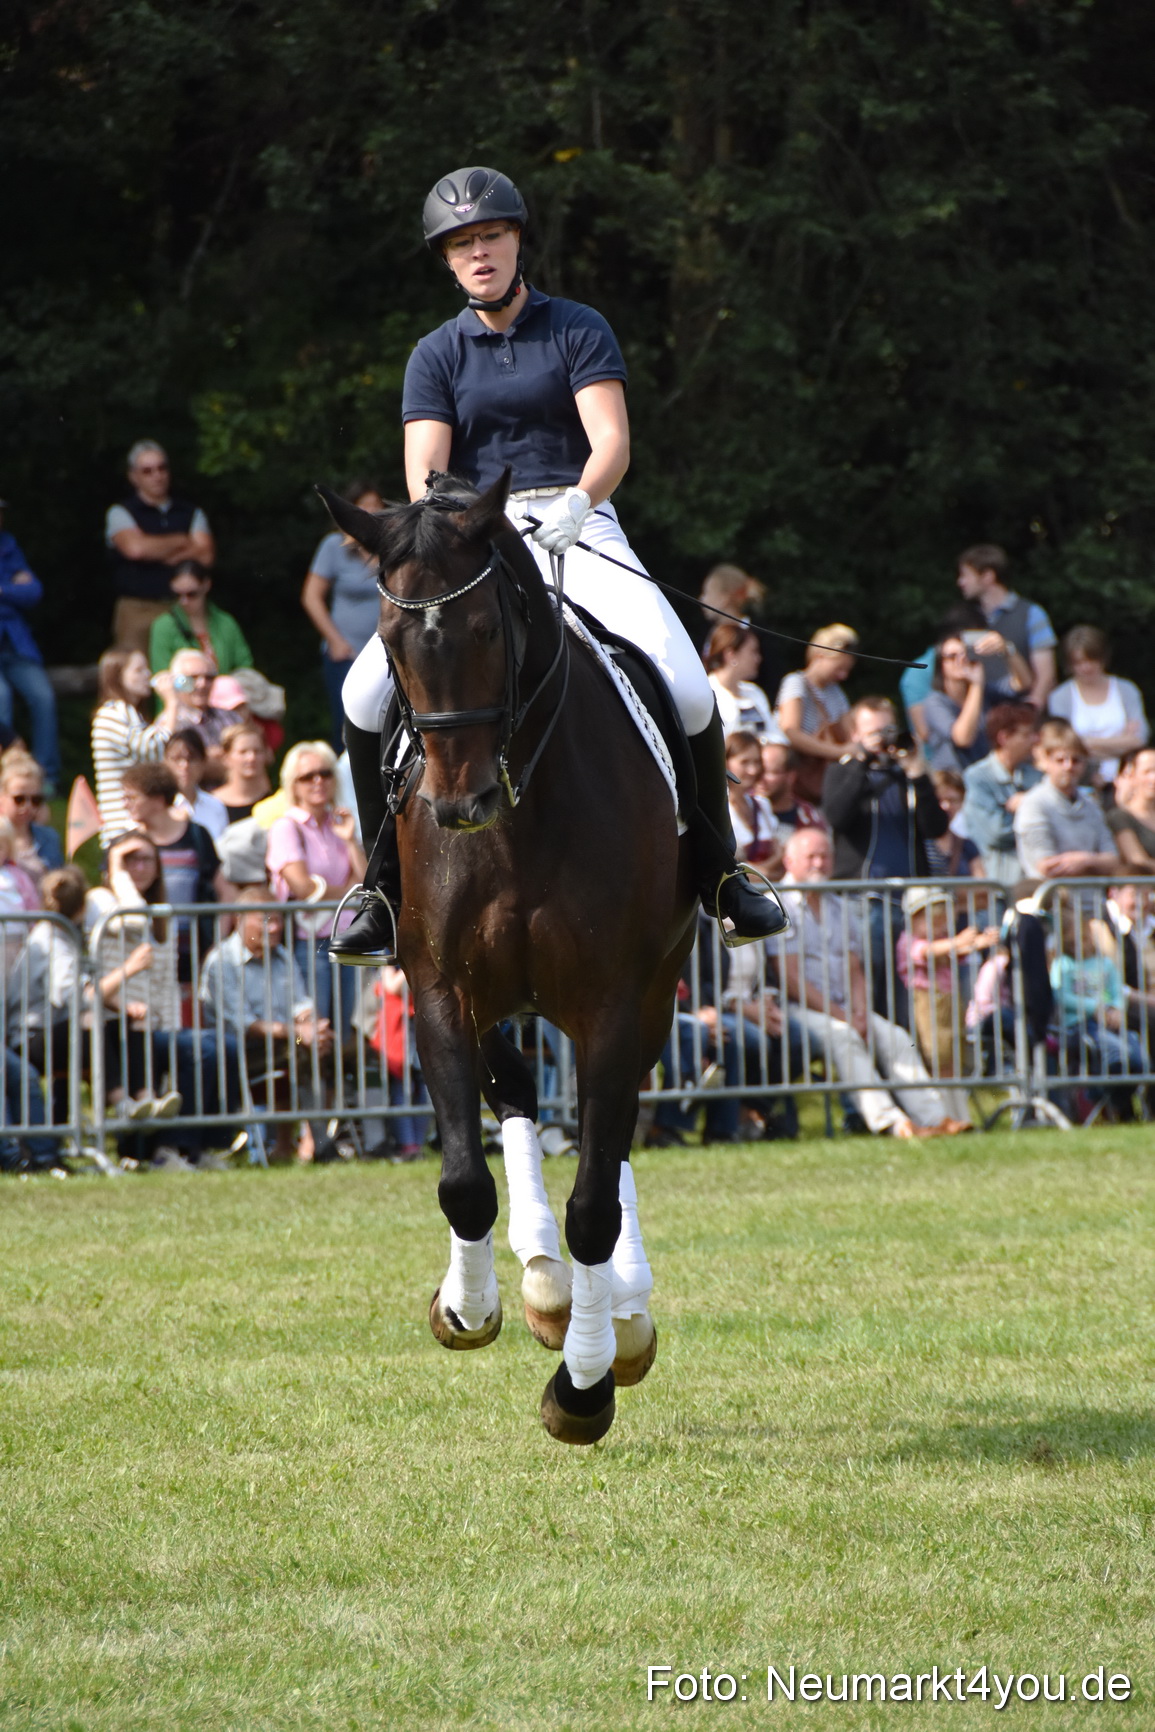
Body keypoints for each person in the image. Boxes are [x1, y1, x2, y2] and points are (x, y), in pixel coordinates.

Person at [331, 164, 786, 963]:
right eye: (463, 244)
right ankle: (379, 887)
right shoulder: (434, 354)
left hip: (579, 519)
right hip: (474, 537)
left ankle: (719, 872)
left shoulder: (575, 327)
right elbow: (422, 475)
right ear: (447, 259)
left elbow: (610, 439)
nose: (480, 253)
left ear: (516, 240)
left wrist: (578, 502)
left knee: (685, 685)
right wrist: (468, 527)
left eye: (491, 236)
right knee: (363, 693)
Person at [776, 828, 968, 1137]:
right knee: (844, 1036)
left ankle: (936, 1120)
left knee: (894, 1036)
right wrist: (845, 1018)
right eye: (811, 856)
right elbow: (791, 977)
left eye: (825, 856)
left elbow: (854, 966)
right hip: (798, 1009)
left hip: (846, 1007)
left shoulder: (837, 903)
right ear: (789, 861)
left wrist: (861, 1012)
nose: (819, 863)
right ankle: (892, 1123)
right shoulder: (778, 905)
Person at [199, 887, 334, 1164]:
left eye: (277, 920)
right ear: (239, 919)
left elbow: (301, 1004)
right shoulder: (221, 961)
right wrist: (299, 1033)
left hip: (285, 1044)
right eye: (265, 920)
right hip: (237, 1051)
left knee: (326, 1047)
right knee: (301, 1050)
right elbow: (244, 1025)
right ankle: (313, 1144)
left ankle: (304, 1143)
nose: (274, 928)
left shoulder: (282, 956)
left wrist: (312, 1026)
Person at [266, 741, 365, 1024]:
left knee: (346, 1029)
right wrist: (347, 891)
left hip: (347, 936)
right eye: (307, 776)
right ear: (293, 785)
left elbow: (364, 881)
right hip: (309, 941)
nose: (318, 781)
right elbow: (303, 889)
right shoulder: (286, 826)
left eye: (325, 773)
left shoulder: (340, 825)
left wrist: (349, 840)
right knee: (315, 1028)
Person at [896, 883, 998, 1123]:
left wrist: (977, 943)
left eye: (944, 921)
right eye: (934, 921)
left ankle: (959, 1115)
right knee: (938, 1061)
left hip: (950, 1008)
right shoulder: (909, 941)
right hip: (928, 1009)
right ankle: (942, 1117)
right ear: (913, 919)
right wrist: (958, 941)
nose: (940, 927)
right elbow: (928, 951)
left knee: (952, 1061)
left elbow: (952, 950)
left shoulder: (943, 941)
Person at [106, 441, 215, 652]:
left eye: (161, 468)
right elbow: (135, 549)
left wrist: (154, 547)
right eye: (147, 471)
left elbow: (205, 555)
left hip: (184, 607)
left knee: (188, 675)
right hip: (138, 609)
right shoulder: (120, 512)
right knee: (135, 677)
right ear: (133, 477)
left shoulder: (190, 511)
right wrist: (183, 541)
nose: (157, 475)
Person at [301, 479, 387, 745]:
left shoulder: (389, 547)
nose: (371, 512)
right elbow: (311, 597)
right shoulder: (333, 546)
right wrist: (336, 642)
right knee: (347, 727)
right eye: (364, 507)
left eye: (377, 506)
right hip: (346, 654)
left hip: (384, 655)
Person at [1013, 719, 1120, 889]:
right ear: (1046, 762)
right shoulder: (1034, 803)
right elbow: (1046, 865)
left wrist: (1084, 860)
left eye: (1076, 760)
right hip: (1051, 904)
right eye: (1060, 760)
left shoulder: (1091, 805)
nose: (1068, 766)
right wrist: (1095, 863)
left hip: (1092, 903)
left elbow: (1113, 860)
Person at [0, 499, 60, 792]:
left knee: (44, 696)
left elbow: (34, 592)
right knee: (0, 698)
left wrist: (2, 589)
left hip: (14, 643)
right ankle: (7, 780)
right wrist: (13, 587)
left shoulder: (8, 545)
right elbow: (21, 591)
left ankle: (45, 778)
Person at [90, 648, 179, 846]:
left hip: (131, 823)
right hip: (123, 825)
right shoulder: (115, 712)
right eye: (139, 670)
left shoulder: (128, 713)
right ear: (117, 677)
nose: (147, 674)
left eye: (146, 669)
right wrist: (172, 703)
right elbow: (153, 749)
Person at [956, 542, 1056, 710]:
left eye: (965, 575)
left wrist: (1032, 708)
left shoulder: (1030, 613)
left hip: (1020, 717)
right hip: (980, 719)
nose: (960, 582)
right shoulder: (965, 617)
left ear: (988, 576)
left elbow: (1046, 674)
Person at [1047, 625, 1148, 786]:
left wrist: (1088, 742)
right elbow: (1064, 744)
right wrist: (1120, 742)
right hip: (1080, 778)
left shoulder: (1126, 690)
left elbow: (1138, 739)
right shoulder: (1060, 697)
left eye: (1091, 660)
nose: (1086, 667)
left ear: (1102, 658)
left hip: (1124, 776)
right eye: (1079, 662)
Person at [774, 624, 858, 805]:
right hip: (799, 774)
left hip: (824, 776)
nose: (843, 675)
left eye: (847, 670)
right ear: (820, 656)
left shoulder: (836, 693)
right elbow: (790, 732)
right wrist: (838, 752)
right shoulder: (795, 683)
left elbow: (850, 733)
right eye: (839, 668)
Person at [960, 702, 1041, 886]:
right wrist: (1035, 812)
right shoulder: (977, 778)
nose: (1034, 740)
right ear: (1004, 738)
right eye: (1026, 734)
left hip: (1034, 883)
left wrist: (1028, 803)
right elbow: (995, 833)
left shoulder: (1037, 777)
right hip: (998, 886)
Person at [921, 632, 1022, 773]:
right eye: (952, 656)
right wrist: (976, 685)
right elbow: (963, 738)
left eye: (964, 654)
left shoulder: (983, 691)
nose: (961, 660)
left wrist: (1007, 649)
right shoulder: (935, 702)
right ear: (941, 664)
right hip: (954, 782)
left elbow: (1022, 683)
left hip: (984, 776)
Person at [148, 560, 252, 676]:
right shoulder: (163, 626)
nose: (184, 601)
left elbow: (245, 668)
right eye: (177, 595)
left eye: (191, 594)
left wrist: (227, 689)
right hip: (182, 692)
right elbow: (162, 676)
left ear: (206, 585)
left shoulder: (226, 622)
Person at [704, 622, 784, 742]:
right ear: (731, 655)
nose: (758, 658)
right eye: (753, 651)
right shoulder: (707, 695)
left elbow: (778, 737)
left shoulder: (754, 692)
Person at [0, 751, 63, 886]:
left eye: (35, 800)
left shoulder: (49, 837)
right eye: (19, 799)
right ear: (2, 797)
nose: (27, 806)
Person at [725, 730, 781, 873]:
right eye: (744, 762)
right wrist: (766, 872)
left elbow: (780, 856)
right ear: (726, 762)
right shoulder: (721, 808)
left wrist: (762, 872)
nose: (753, 770)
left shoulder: (762, 804)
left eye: (757, 762)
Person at [167, 648, 234, 756]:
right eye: (193, 677)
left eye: (209, 678)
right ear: (177, 682)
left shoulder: (230, 717)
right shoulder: (170, 723)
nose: (202, 684)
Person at [164, 729, 228, 842]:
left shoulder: (215, 805)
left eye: (191, 759)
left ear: (203, 762)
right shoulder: (159, 806)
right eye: (176, 759)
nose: (184, 766)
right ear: (165, 762)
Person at [756, 741, 827, 837]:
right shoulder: (742, 813)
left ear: (791, 776)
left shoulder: (808, 818)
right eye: (759, 770)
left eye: (770, 772)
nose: (761, 778)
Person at [925, 769, 984, 879]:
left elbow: (982, 883)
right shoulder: (917, 842)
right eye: (940, 800)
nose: (946, 806)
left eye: (952, 800)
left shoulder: (967, 846)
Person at [211, 721, 272, 824]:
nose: (251, 758)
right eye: (243, 752)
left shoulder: (273, 802)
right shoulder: (212, 804)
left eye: (257, 751)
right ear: (226, 758)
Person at [1109, 746, 1155, 873]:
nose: (1153, 778)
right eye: (1147, 772)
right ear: (1132, 776)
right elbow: (1137, 860)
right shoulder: (1120, 816)